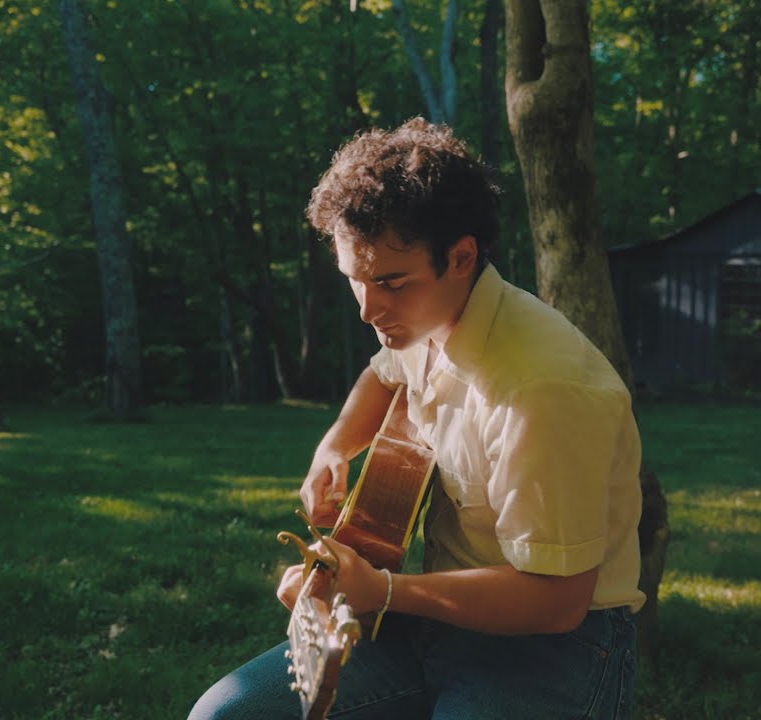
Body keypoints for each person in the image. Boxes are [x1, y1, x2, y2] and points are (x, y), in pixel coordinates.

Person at [188, 118, 644, 720]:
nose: (369, 309)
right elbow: (384, 374)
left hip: (556, 647)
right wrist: (335, 446)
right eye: (355, 280)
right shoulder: (425, 318)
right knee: (223, 715)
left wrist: (381, 592)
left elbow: (558, 602)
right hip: (431, 614)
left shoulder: (541, 390)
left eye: (390, 283)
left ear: (461, 257)